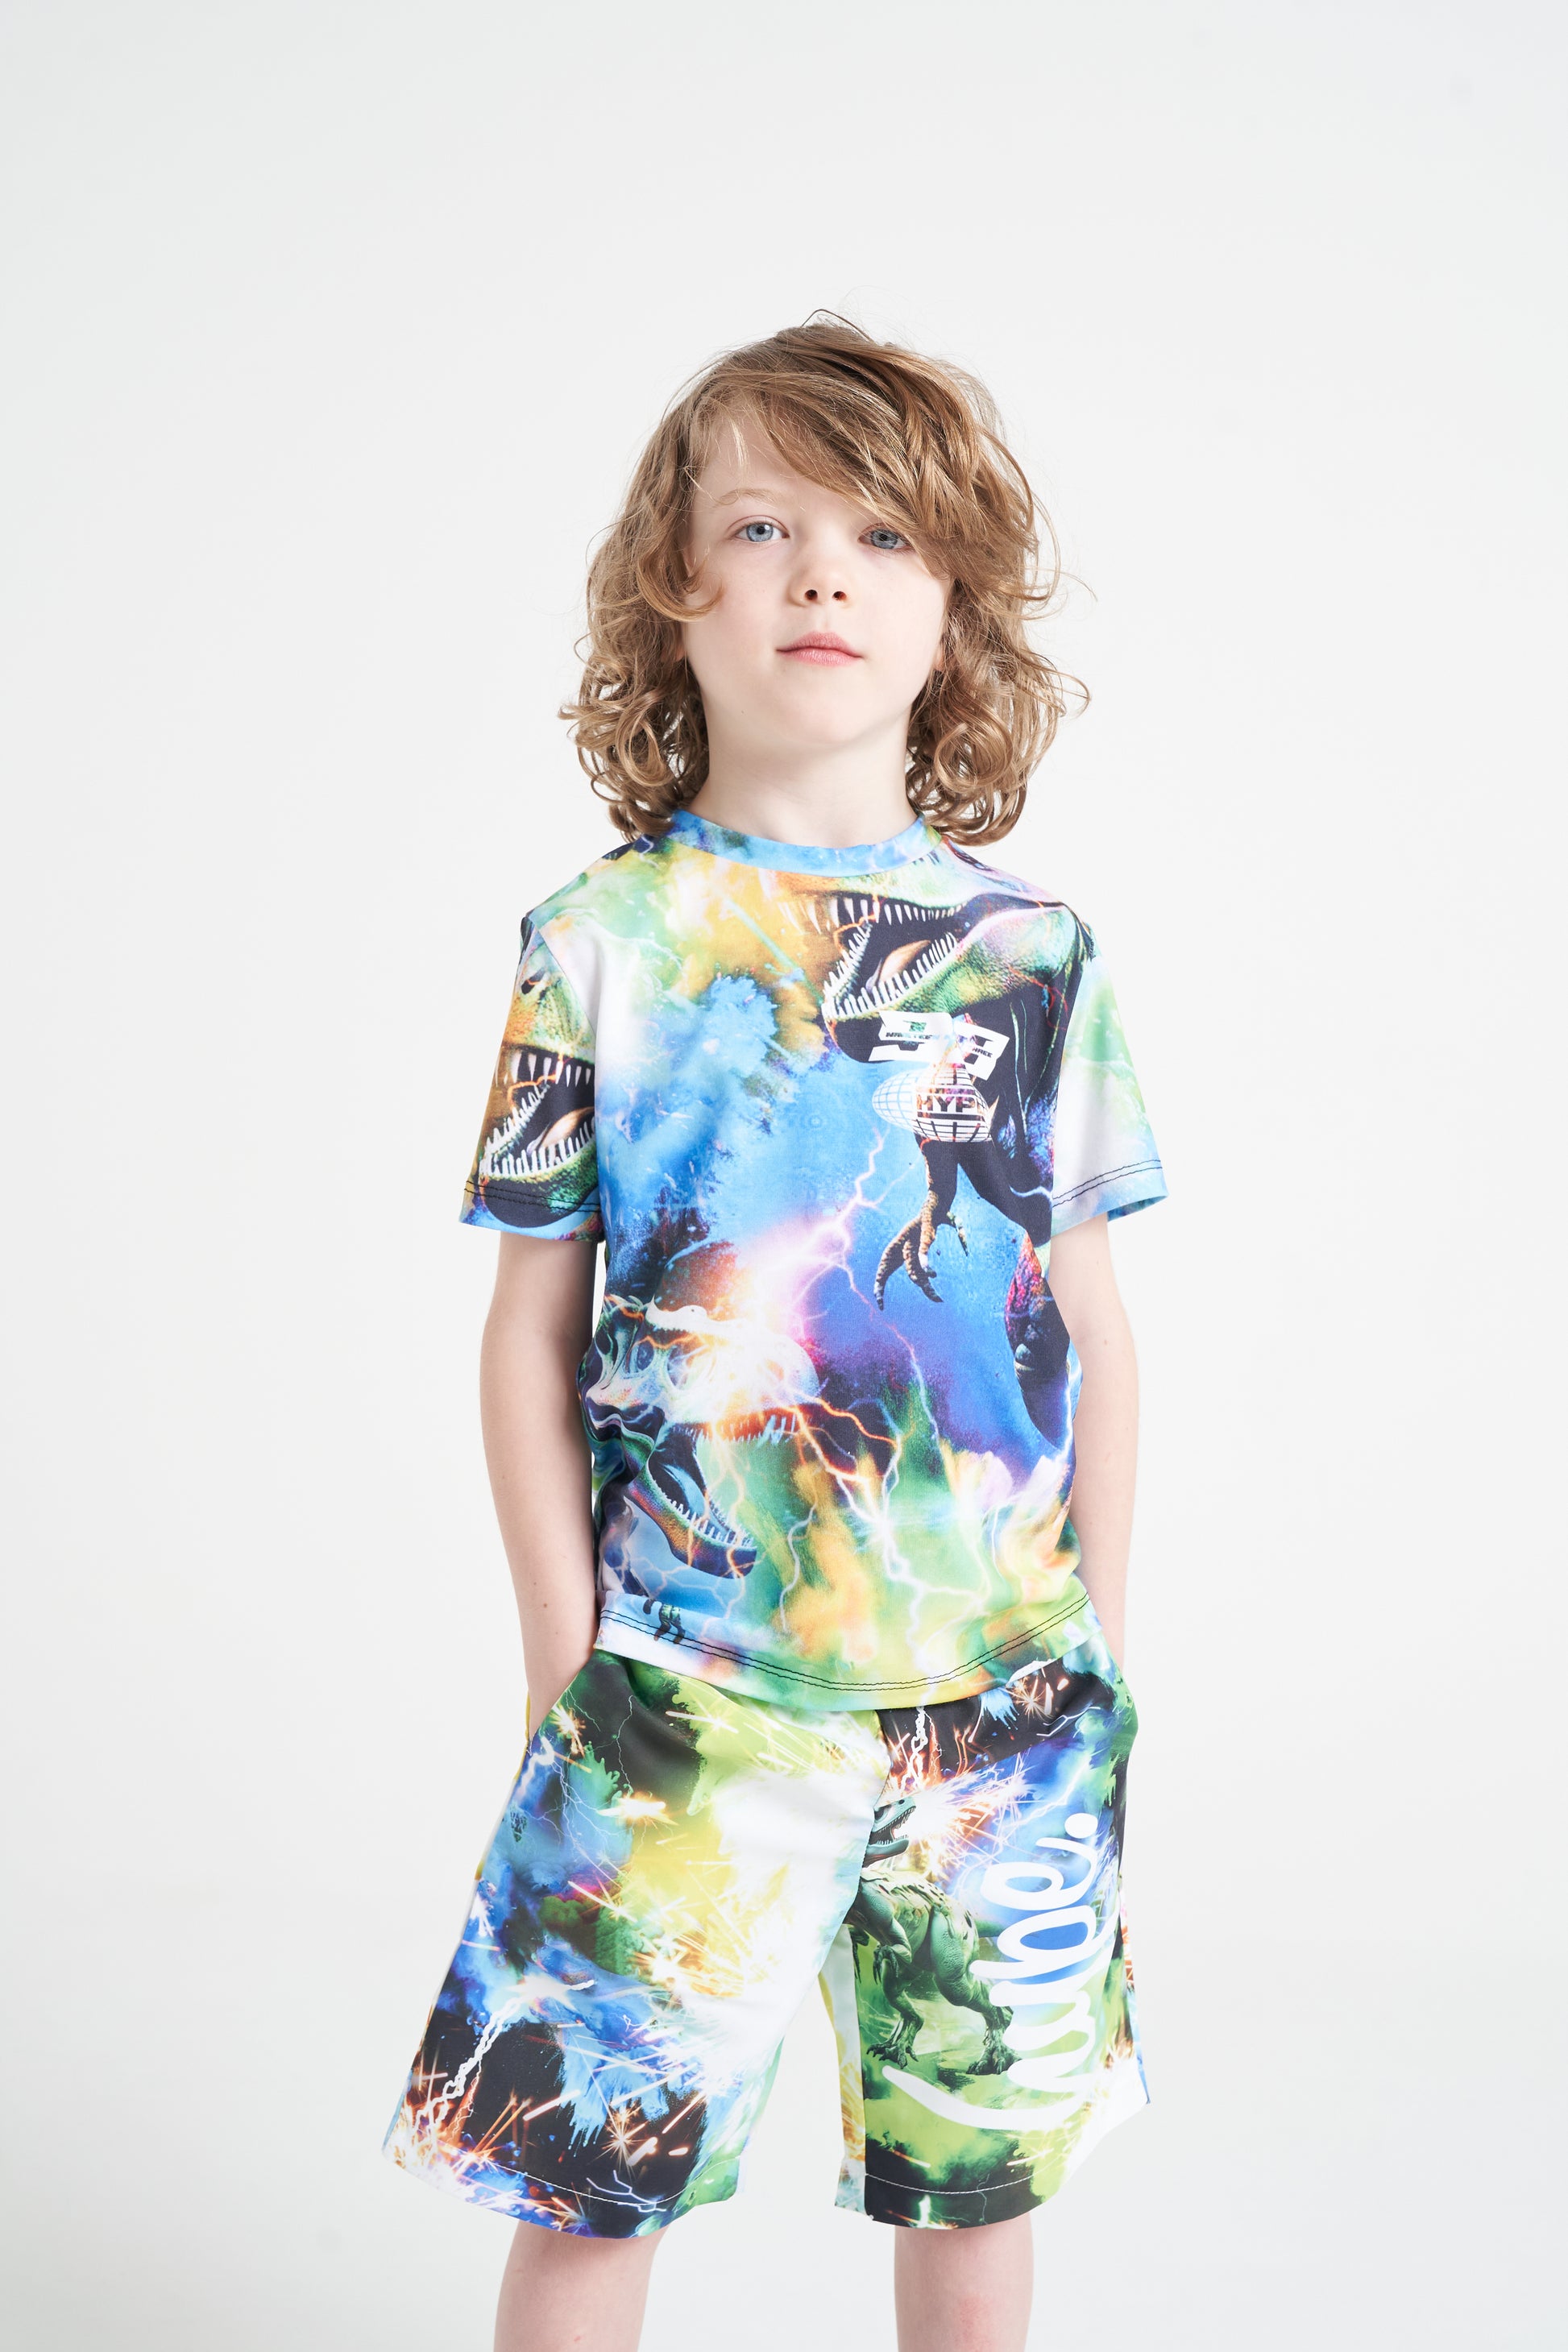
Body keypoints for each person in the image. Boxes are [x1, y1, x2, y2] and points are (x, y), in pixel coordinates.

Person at [385, 317, 1165, 2352]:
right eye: (762, 525)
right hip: (682, 1698)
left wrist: (1093, 1641)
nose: (823, 569)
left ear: (952, 610)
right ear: (677, 591)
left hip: (999, 1711)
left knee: (976, 2193)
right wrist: (568, 1659)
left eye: (882, 533)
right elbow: (529, 1330)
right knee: (587, 2187)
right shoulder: (600, 944)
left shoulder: (1033, 958)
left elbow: (1087, 1319)